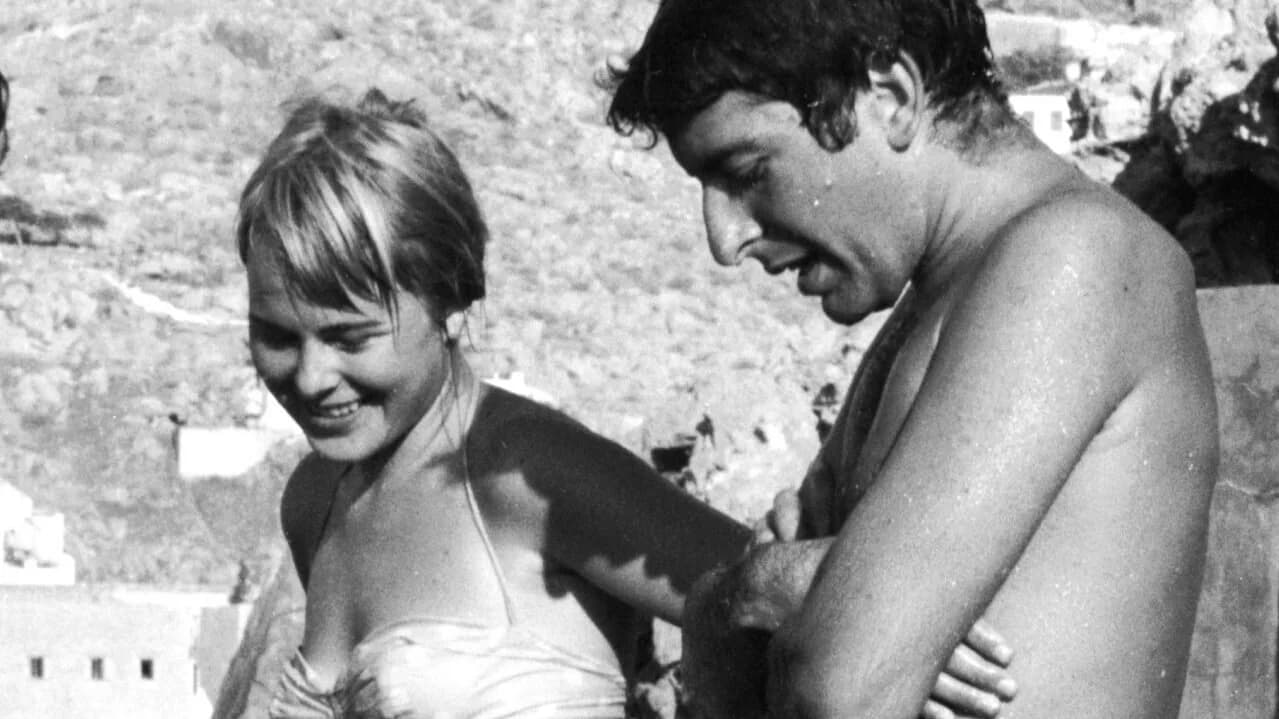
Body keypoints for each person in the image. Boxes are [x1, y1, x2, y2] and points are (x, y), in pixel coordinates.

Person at [237, 88, 1018, 719]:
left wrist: (876, 594)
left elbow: (752, 587)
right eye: (275, 334)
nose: (308, 378)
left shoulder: (527, 473)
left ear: (448, 298)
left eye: (349, 336)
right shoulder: (315, 500)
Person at [603, 0, 1220, 717]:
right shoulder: (929, 309)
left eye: (745, 169)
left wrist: (770, 596)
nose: (724, 237)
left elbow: (838, 689)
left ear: (891, 95)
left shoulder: (1073, 257)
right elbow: (753, 656)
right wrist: (749, 595)